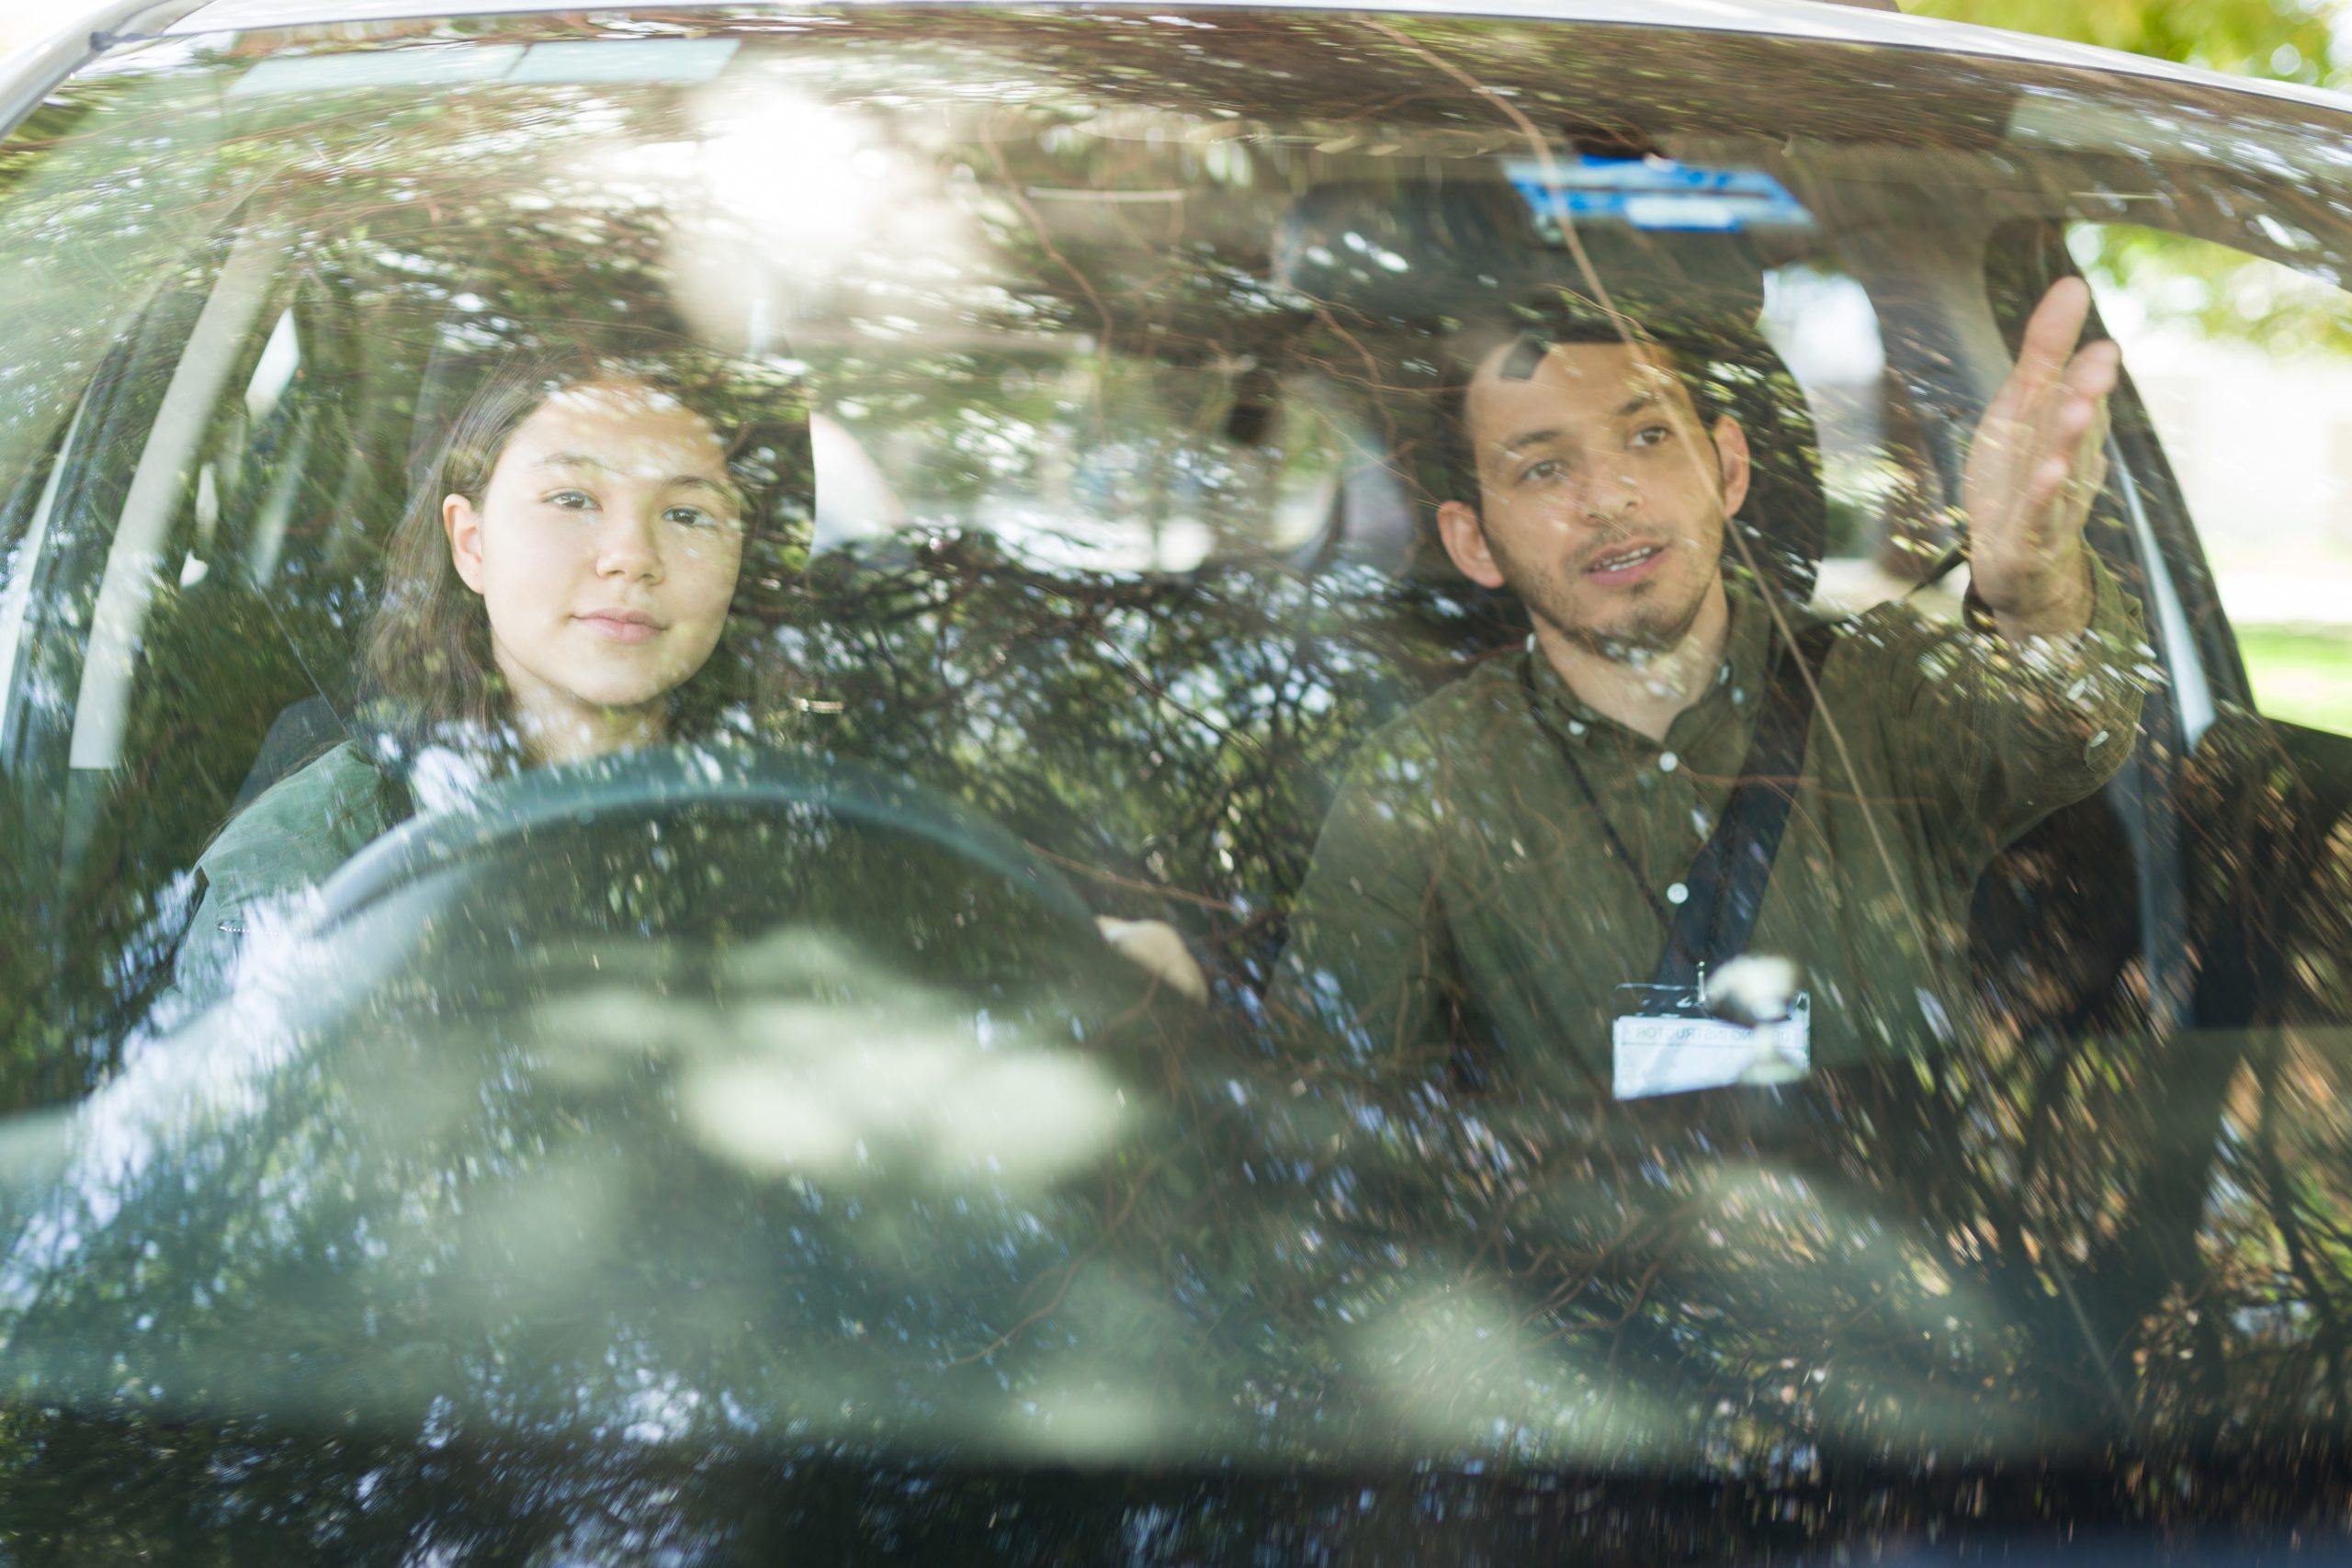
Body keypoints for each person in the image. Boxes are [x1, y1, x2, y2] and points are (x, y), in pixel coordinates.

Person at [1268, 279, 2148, 1091]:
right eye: (1542, 467)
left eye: (1648, 437)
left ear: (1728, 469)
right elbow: (1335, 1113)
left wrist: (2038, 592)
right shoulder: (1416, 787)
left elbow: (2074, 724)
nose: (1608, 497)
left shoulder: (1885, 688)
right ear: (1473, 543)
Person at [176, 338, 1205, 1006]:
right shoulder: (322, 851)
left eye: (686, 513)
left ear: (740, 556)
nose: (631, 554)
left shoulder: (821, 808)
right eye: (572, 500)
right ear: (470, 542)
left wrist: (1088, 969)